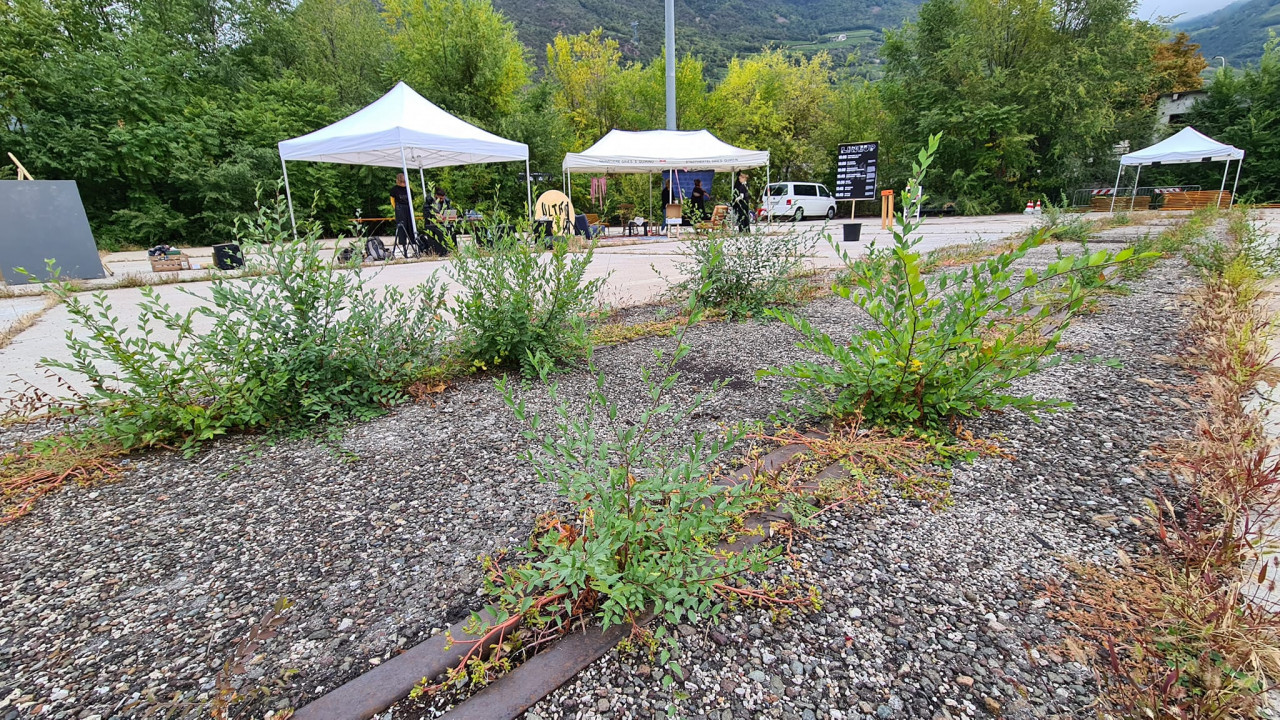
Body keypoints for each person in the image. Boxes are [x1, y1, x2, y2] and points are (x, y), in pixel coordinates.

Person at [390, 173, 414, 256]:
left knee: (410, 227)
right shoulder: (394, 189)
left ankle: (413, 244)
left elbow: (411, 200)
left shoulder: (409, 189)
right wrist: (396, 209)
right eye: (402, 182)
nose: (403, 183)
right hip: (400, 209)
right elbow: (392, 201)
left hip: (408, 208)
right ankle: (404, 248)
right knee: (402, 228)